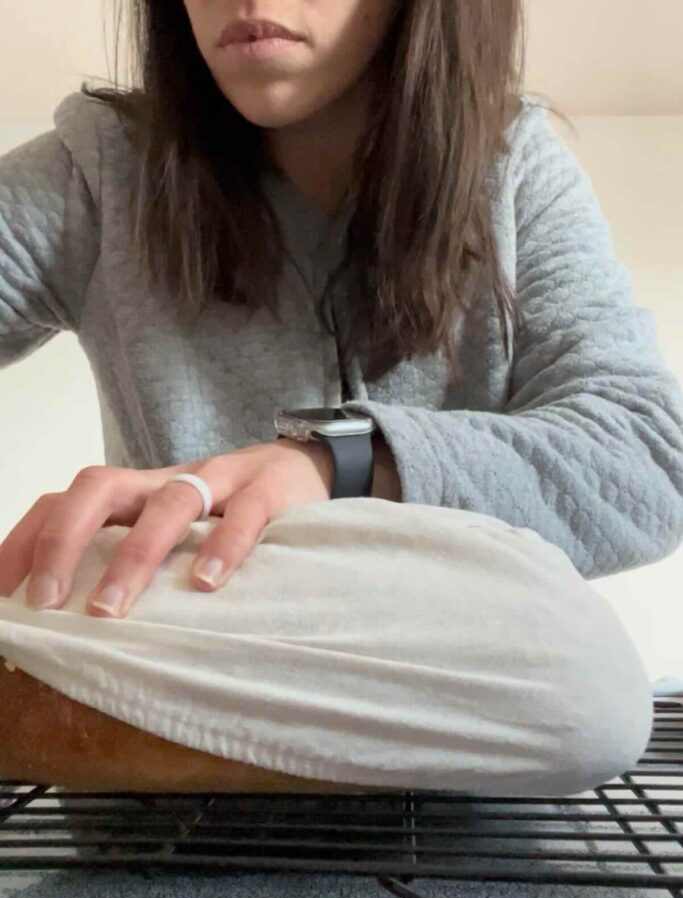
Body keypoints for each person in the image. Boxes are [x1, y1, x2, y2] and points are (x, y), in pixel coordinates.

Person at [0, 0, 681, 794]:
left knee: (593, 694)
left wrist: (339, 462)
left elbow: (644, 455)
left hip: (473, 795)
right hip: (153, 791)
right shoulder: (98, 171)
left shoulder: (512, 167)